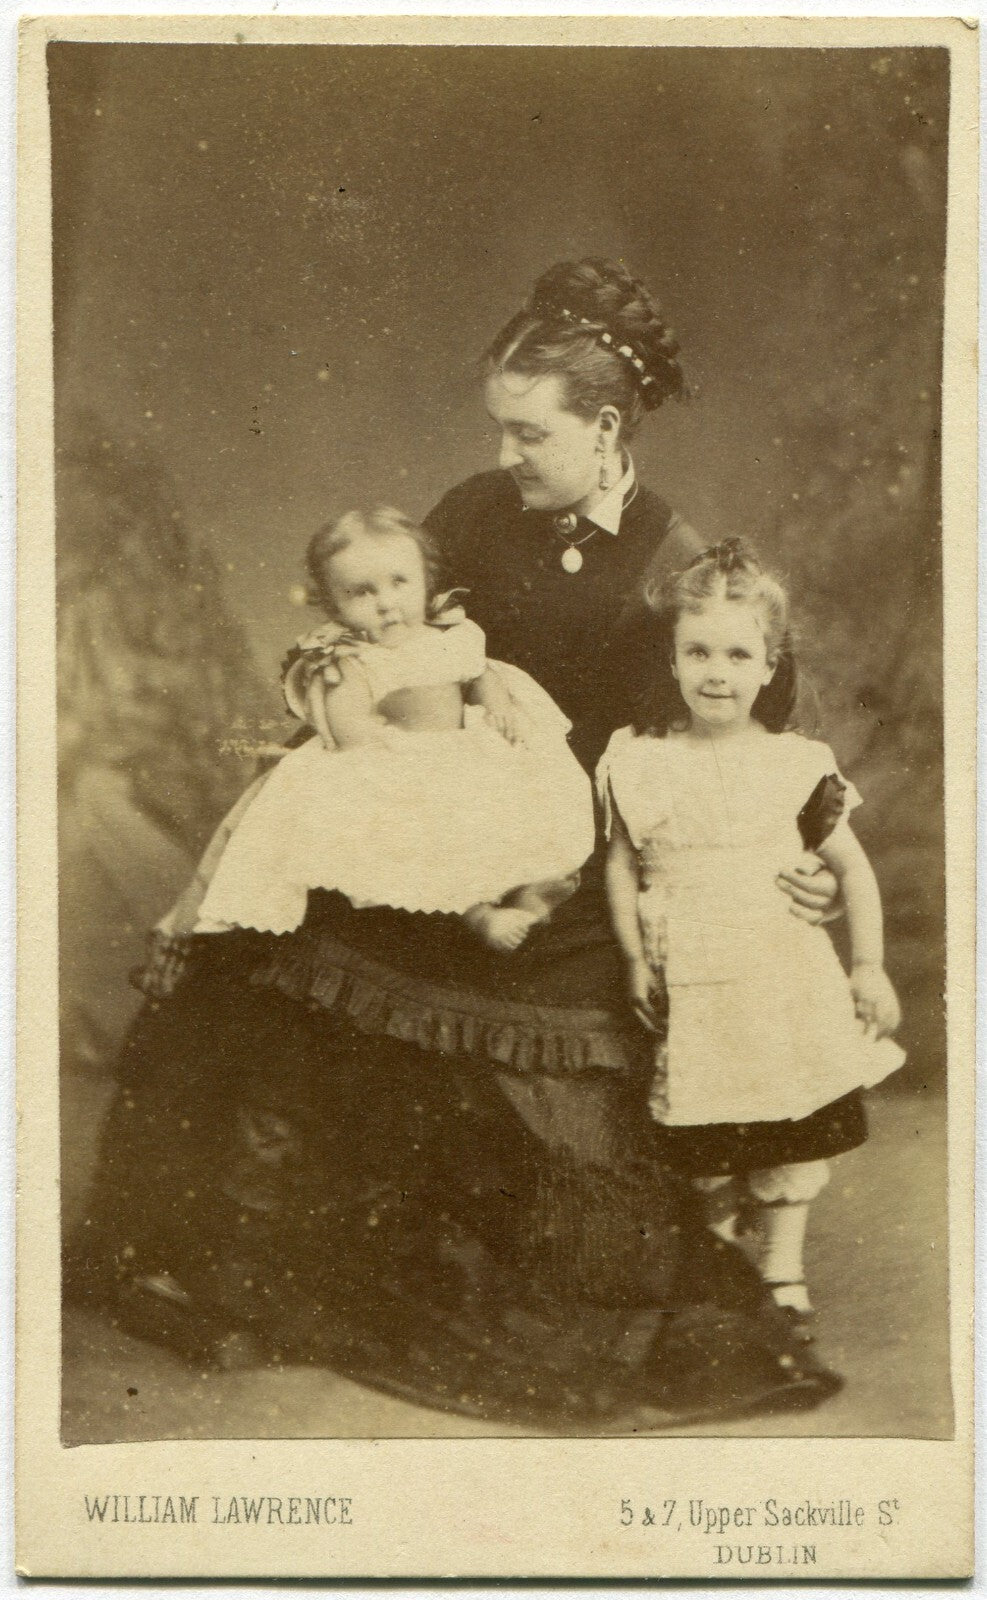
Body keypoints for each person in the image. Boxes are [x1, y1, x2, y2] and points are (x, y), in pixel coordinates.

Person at [69, 258, 844, 1428]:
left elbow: (756, 746)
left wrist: (799, 861)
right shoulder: (479, 510)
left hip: (572, 863)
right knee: (254, 958)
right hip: (427, 823)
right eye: (499, 430)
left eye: (530, 434)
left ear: (605, 427)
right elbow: (377, 627)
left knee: (595, 1235)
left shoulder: (676, 565)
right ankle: (176, 1253)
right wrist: (330, 718)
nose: (505, 457)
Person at [598, 538, 904, 1342]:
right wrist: (633, 955)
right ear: (670, 660)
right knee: (706, 1129)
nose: (716, 672)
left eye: (738, 654)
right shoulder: (641, 761)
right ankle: (718, 1252)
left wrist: (867, 965)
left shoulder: (795, 765)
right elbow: (621, 865)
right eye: (697, 651)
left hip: (778, 982)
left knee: (789, 1121)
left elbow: (854, 871)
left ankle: (783, 1268)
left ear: (770, 666)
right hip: (692, 980)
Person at [192, 507, 594, 951]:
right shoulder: (354, 661)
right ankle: (476, 914)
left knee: (512, 813)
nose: (386, 602)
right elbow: (351, 728)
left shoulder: (452, 634)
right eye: (362, 593)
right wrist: (385, 756)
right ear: (333, 604)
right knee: (427, 838)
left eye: (399, 582)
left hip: (464, 751)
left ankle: (530, 894)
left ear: (426, 578)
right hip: (400, 765)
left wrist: (499, 709)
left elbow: (479, 674)